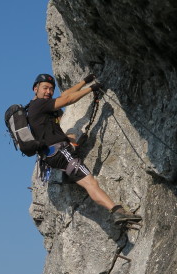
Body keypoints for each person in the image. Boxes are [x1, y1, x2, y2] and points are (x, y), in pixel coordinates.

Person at [27, 73, 142, 225]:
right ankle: (117, 211)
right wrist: (91, 89)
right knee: (90, 183)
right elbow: (68, 100)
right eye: (45, 88)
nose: (48, 92)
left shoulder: (36, 106)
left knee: (72, 137)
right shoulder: (40, 104)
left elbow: (65, 95)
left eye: (51, 89)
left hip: (53, 156)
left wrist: (85, 81)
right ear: (36, 89)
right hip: (60, 152)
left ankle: (71, 174)